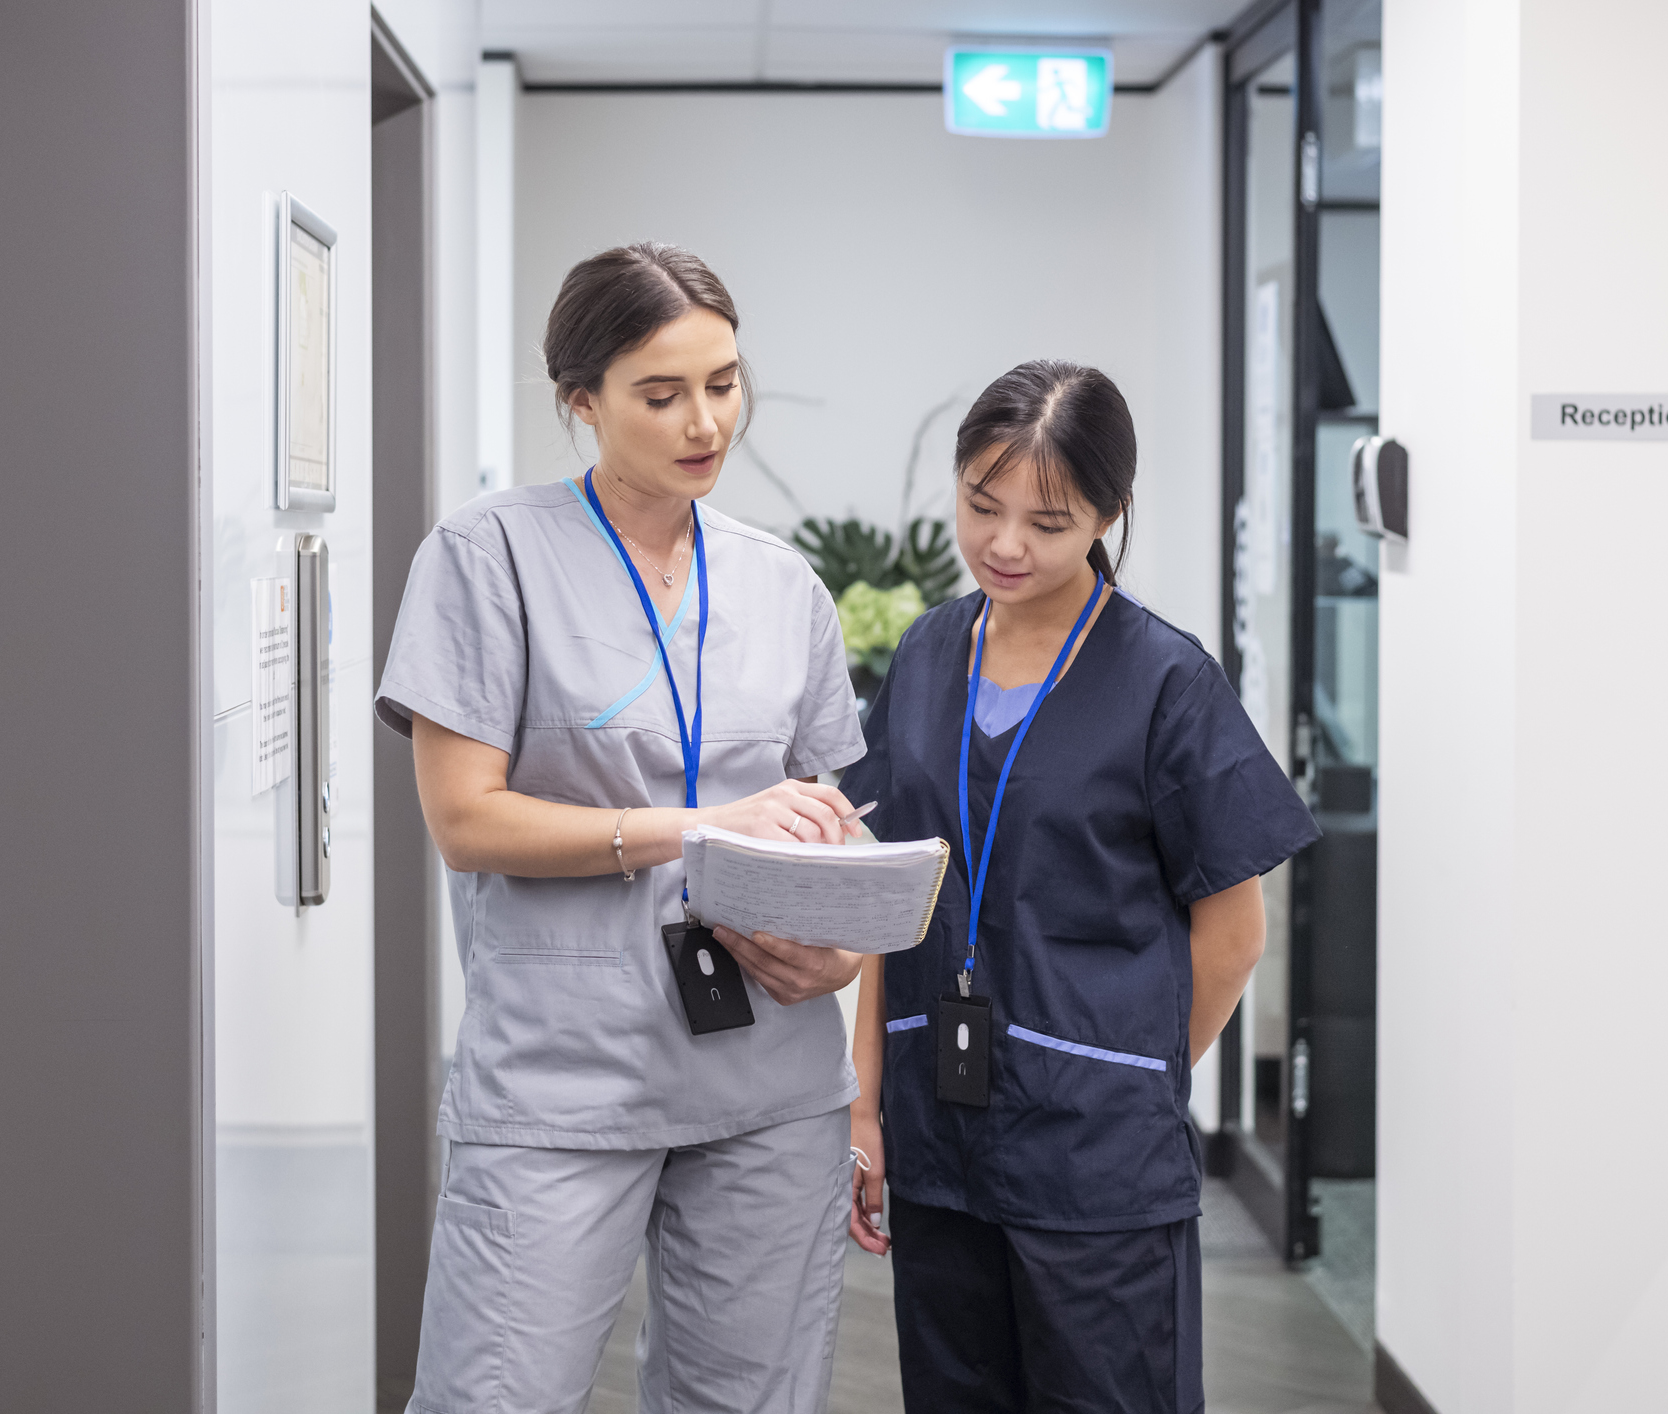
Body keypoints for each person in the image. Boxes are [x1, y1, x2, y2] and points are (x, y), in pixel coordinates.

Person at [375, 242, 871, 1414]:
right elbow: (464, 817)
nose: (705, 422)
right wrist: (694, 826)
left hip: (767, 1075)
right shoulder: (485, 558)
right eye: (662, 394)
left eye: (724, 382)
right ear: (580, 401)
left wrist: (840, 949)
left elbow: (835, 823)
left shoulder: (782, 585)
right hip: (565, 1079)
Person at [840, 361, 1320, 1412]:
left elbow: (1234, 936)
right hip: (939, 1138)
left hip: (1097, 1170)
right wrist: (866, 1104)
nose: (1006, 544)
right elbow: (891, 901)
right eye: (981, 505)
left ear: (1110, 512)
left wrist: (1120, 1073)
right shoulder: (925, 656)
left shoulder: (1164, 681)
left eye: (1049, 521)